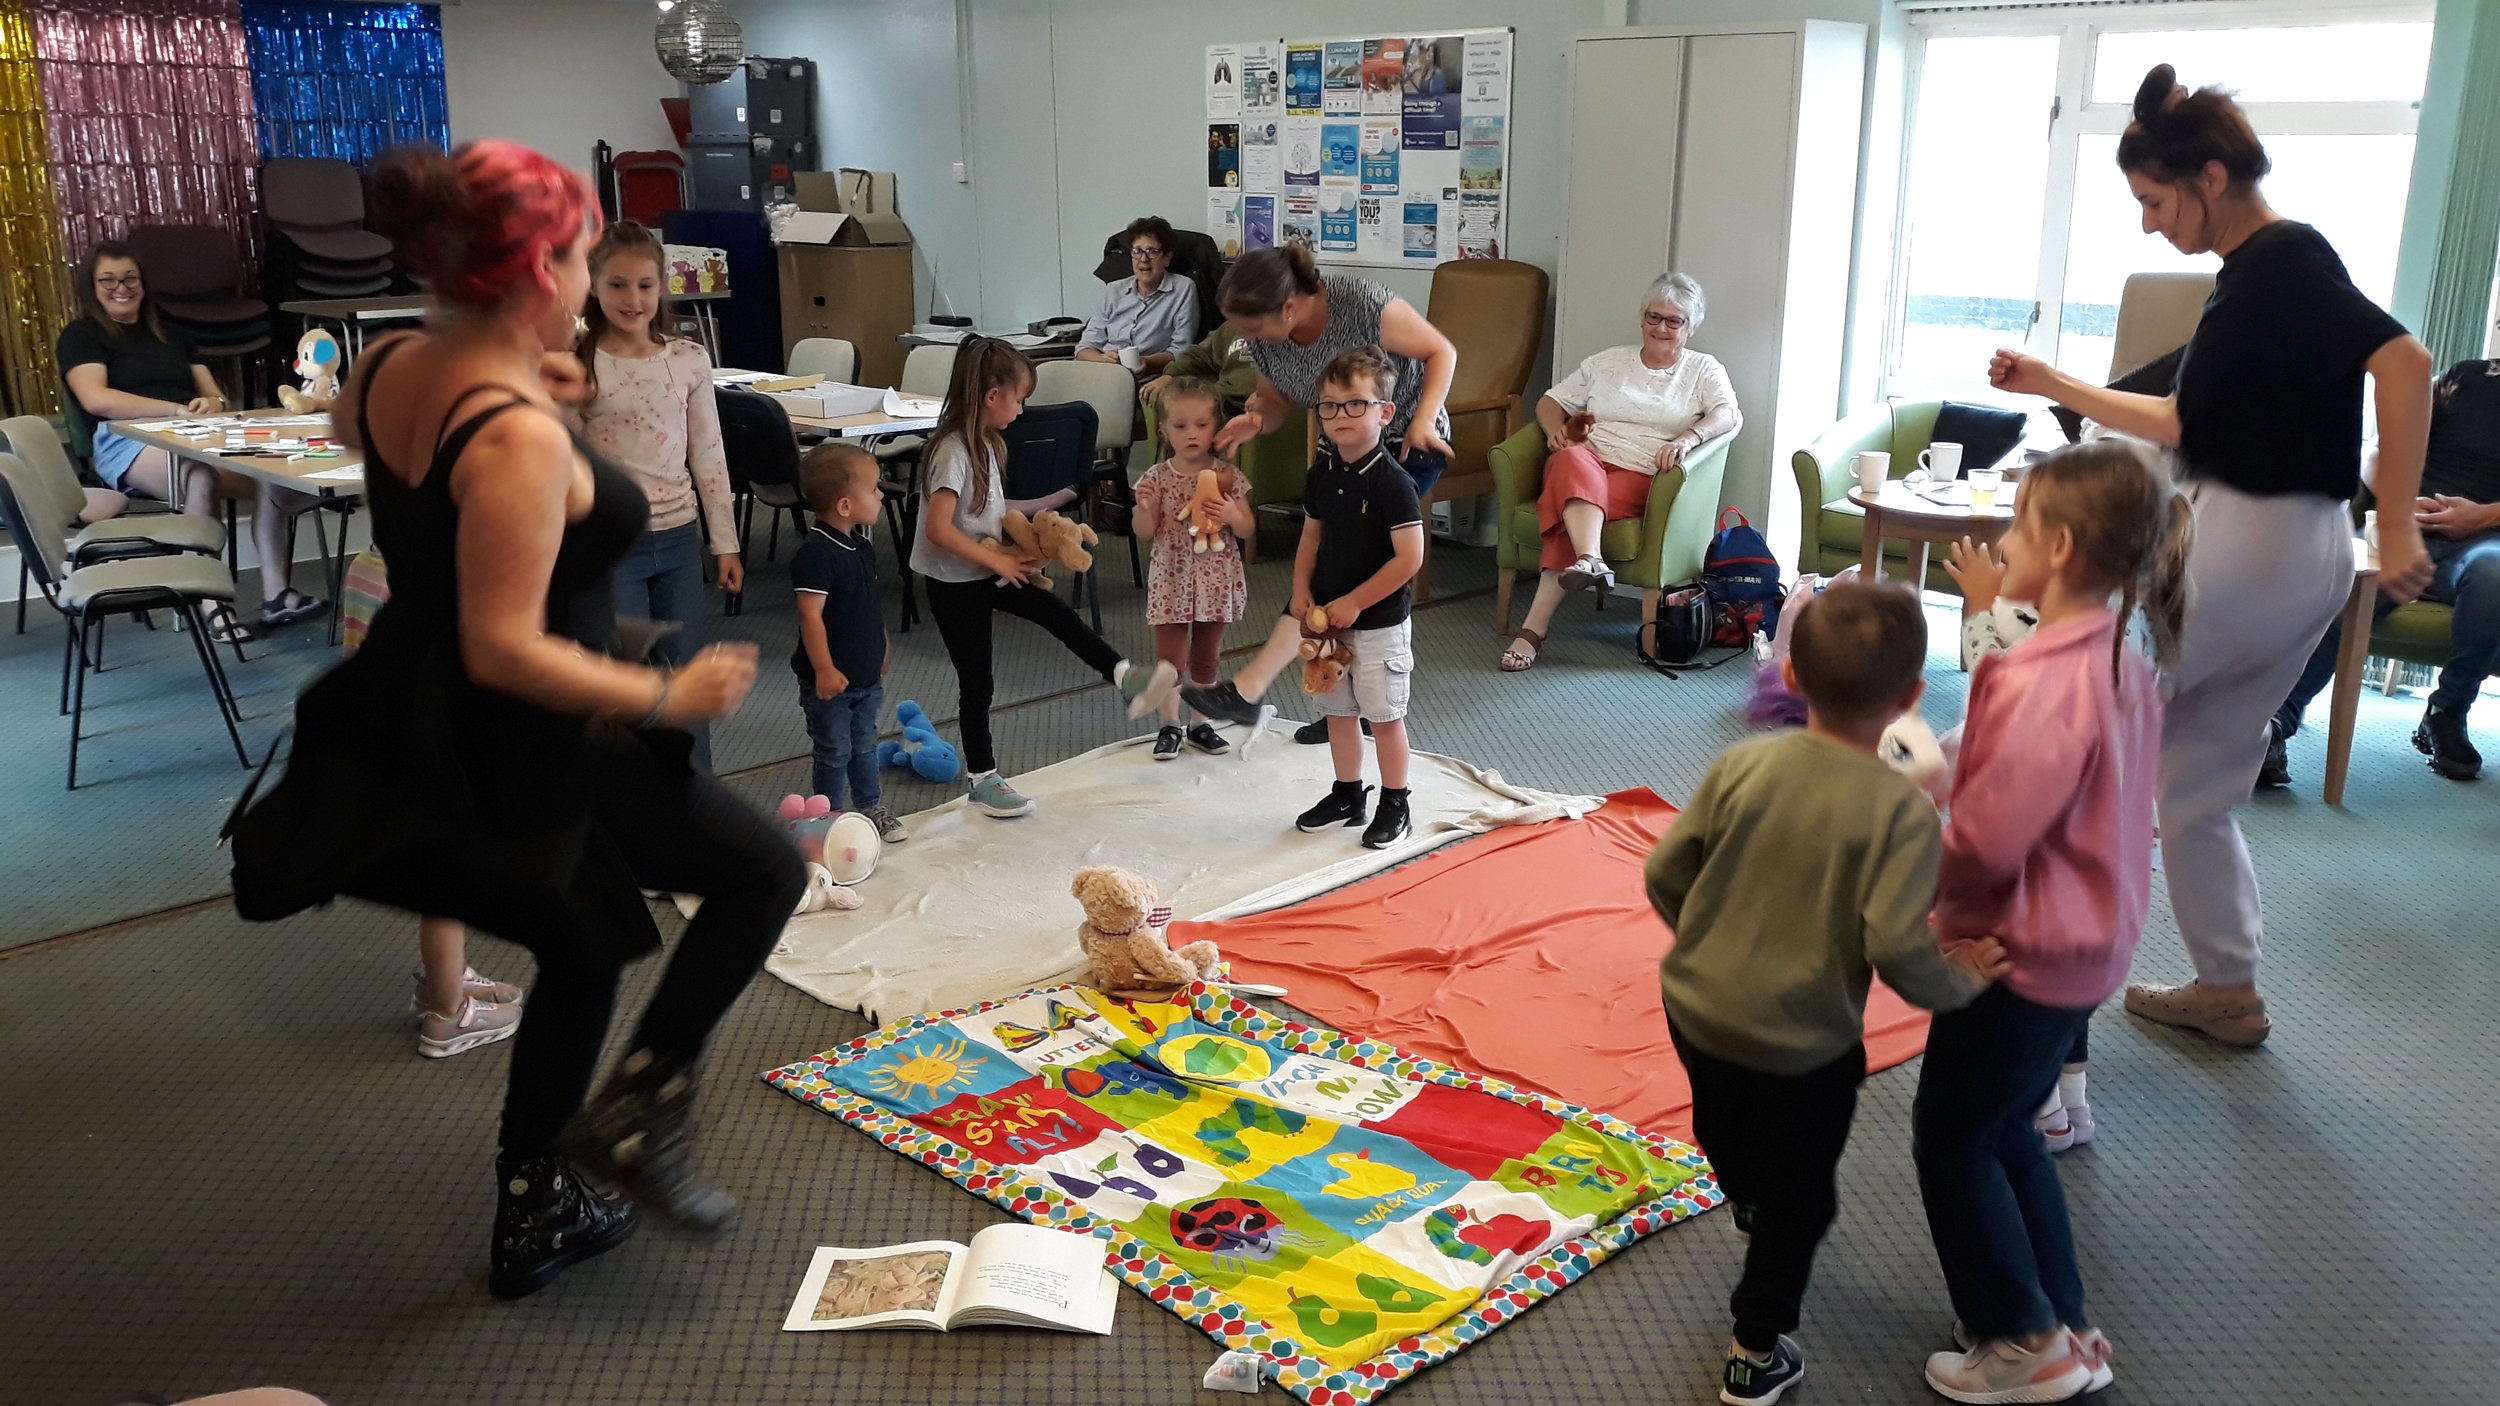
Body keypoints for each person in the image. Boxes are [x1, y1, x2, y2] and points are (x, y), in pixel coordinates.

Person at [225, 140, 806, 1300]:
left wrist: (531, 382)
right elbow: (506, 644)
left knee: (581, 944)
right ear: (542, 270)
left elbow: (352, 437)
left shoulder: (392, 360)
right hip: (533, 733)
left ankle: (534, 1209)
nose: (595, 278)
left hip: (418, 706)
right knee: (760, 875)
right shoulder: (513, 435)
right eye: (586, 256)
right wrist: (662, 693)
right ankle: (641, 1104)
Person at [1985, 64, 2434, 1048]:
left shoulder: (2278, 263)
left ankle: (2044, 1013)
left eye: (2153, 201)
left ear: (2211, 178)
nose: (2149, 224)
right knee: (2194, 784)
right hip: (2302, 552)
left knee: (2080, 741)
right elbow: (2182, 417)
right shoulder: (2263, 278)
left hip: (2245, 547)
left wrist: (2396, 518)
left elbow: (2404, 362)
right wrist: (2054, 377)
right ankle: (2227, 987)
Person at [1644, 580, 2001, 1406]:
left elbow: (1666, 874)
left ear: (1793, 677)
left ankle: (1744, 1194)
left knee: (1722, 1124)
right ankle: (1755, 1349)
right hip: (1804, 1045)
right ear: (1912, 698)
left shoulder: (1741, 762)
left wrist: (1705, 939)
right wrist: (1961, 982)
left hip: (1694, 1009)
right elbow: (1897, 948)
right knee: (1801, 1203)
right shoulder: (1904, 816)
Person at [1915, 441, 2187, 1403]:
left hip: (2015, 953)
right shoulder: (2122, 657)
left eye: (2021, 526)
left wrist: (1932, 909)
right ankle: (2063, 1320)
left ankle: (2022, 1339)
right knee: (2011, 1131)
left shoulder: (2043, 681)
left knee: (1952, 1138)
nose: (2005, 541)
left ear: (2062, 546)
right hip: (2088, 940)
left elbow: (1988, 840)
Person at [1184, 246, 1458, 745]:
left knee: (1348, 567)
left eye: (1252, 327)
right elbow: (1273, 398)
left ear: (1287, 307)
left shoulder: (1362, 303)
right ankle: (1340, 703)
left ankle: (1254, 691)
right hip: (1342, 451)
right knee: (1332, 569)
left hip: (1406, 446)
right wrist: (1258, 417)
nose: (1247, 339)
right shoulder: (1270, 337)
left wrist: (1420, 420)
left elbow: (1443, 351)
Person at [913, 336, 1179, 818]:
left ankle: (1122, 675)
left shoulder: (989, 445)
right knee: (978, 680)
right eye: (1019, 397)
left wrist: (1044, 506)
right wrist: (998, 563)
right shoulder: (951, 451)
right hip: (955, 580)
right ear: (993, 396)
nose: (1021, 408)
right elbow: (937, 529)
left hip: (989, 563)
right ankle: (982, 778)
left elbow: (989, 511)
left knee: (1056, 613)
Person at [60, 241, 329, 640]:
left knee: (268, 472)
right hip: (124, 441)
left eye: (130, 278)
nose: (122, 287)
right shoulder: (82, 335)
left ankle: (276, 596)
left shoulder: (171, 331)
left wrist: (209, 402)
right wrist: (171, 409)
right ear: (91, 286)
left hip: (192, 430)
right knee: (199, 476)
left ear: (143, 282)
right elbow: (96, 398)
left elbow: (214, 394)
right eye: (109, 280)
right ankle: (209, 603)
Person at [2268, 357, 2500, 783]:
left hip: (2488, 540)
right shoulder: (2461, 379)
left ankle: (2446, 713)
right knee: (2350, 582)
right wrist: (2399, 500)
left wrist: (2482, 516)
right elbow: (2376, 450)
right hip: (2403, 524)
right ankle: (2276, 721)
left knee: (2493, 578)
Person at [1502, 272, 1741, 671]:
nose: (1660, 327)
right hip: (1587, 462)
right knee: (1568, 458)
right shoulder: (1608, 361)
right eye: (1653, 317)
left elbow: (1728, 414)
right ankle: (1590, 557)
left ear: (1691, 327)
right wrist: (1554, 430)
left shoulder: (1703, 369)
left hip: (1644, 472)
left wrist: (1687, 439)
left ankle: (1534, 629)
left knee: (1568, 506)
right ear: (1641, 318)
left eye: (1673, 320)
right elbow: (1550, 400)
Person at [573, 219, 740, 770]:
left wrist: (725, 541)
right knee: (626, 682)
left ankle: (698, 798)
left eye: (645, 285)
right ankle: (632, 810)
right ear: (594, 286)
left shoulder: (687, 360)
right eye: (617, 285)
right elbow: (560, 464)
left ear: (662, 286)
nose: (632, 298)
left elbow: (709, 454)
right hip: (609, 546)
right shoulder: (580, 363)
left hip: (677, 540)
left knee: (687, 678)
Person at [1284, 348, 1428, 850]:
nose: (1339, 416)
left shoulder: (1393, 482)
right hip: (1327, 623)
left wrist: (1357, 602)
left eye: (1354, 405)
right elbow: (1310, 539)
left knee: (1383, 717)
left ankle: (1396, 802)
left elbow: (1409, 558)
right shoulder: (1321, 473)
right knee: (1338, 713)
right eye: (1328, 405)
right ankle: (1348, 793)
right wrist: (1301, 591)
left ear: (1384, 413)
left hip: (1378, 623)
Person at [1132, 378, 1254, 759]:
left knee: (1207, 655)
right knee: (1171, 660)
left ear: (1216, 426)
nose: (1191, 434)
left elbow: (1248, 529)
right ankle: (1170, 724)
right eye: (1180, 425)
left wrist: (1234, 513)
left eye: (1201, 424)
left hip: (1216, 580)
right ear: (1164, 429)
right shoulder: (1155, 477)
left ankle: (1201, 721)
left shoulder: (1228, 476)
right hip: (1172, 578)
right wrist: (1145, 510)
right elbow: (1144, 533)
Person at [792, 441, 907, 839]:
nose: (880, 493)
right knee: (834, 750)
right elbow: (810, 616)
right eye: (874, 488)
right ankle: (828, 817)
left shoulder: (863, 547)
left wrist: (883, 643)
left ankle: (870, 804)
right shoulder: (816, 554)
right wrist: (823, 668)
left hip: (865, 676)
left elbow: (866, 605)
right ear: (844, 505)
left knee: (865, 745)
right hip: (831, 682)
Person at [1075, 216, 1199, 377]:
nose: (1143, 259)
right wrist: (1103, 361)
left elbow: (1180, 351)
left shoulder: (1183, 289)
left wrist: (1144, 362)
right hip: (1104, 374)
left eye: (1152, 251)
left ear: (1167, 258)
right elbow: (1084, 348)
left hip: (1149, 378)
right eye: (1137, 251)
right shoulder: (1114, 290)